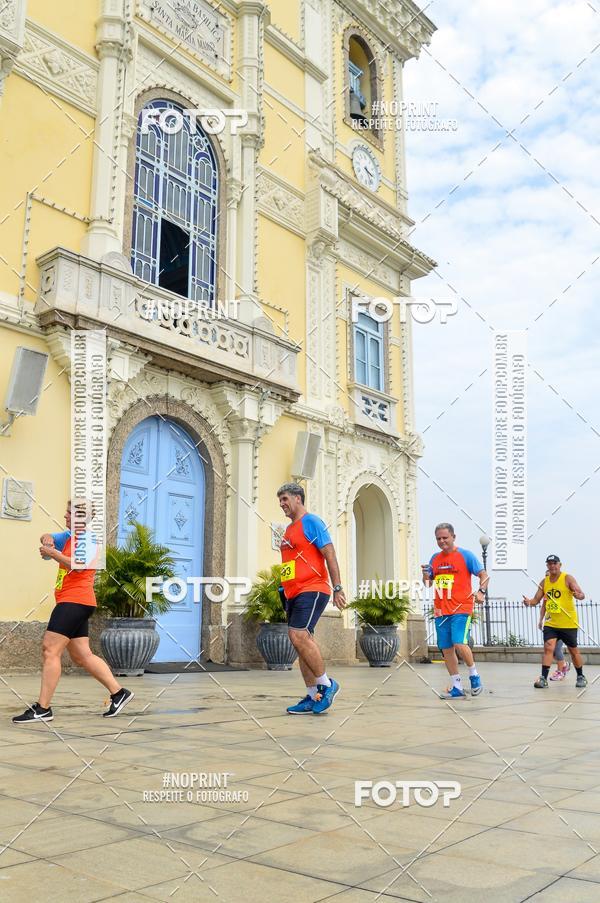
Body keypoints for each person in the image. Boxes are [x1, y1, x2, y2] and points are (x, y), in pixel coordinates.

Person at [12, 499, 134, 723]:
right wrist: (47, 539)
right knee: (81, 655)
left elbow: (75, 563)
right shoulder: (69, 536)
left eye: (69, 513)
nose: (66, 516)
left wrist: (52, 552)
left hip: (74, 601)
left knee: (50, 649)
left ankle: (43, 708)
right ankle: (119, 693)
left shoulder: (88, 540)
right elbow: (47, 537)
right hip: (75, 601)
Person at [277, 483, 346, 715]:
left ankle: (327, 685)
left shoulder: (312, 522)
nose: (282, 504)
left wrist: (337, 587)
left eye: (285, 498)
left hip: (313, 588)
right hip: (292, 592)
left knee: (298, 635)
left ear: (298, 498)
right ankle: (311, 695)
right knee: (301, 642)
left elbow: (329, 553)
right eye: (280, 500)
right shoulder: (288, 530)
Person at [422, 522, 488, 699]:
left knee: (459, 642)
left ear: (453, 537)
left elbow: (484, 575)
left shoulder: (466, 555)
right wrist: (425, 575)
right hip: (441, 610)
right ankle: (457, 686)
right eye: (438, 539)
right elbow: (428, 583)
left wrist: (481, 592)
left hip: (461, 608)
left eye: (445, 538)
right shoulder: (435, 558)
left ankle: (474, 676)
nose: (442, 541)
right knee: (446, 648)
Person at [523, 554, 587, 689]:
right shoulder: (544, 582)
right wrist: (529, 602)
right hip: (551, 623)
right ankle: (543, 679)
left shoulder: (567, 578)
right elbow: (536, 600)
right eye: (549, 564)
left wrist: (578, 595)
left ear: (560, 565)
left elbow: (581, 594)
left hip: (568, 622)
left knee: (573, 650)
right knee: (548, 648)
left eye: (554, 563)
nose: (552, 566)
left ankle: (581, 676)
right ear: (547, 566)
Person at [537, 599, 570, 680]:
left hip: (561, 624)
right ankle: (564, 665)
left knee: (557, 648)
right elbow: (544, 607)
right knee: (551, 651)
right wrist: (541, 620)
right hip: (550, 625)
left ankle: (560, 672)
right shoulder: (547, 593)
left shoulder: (562, 592)